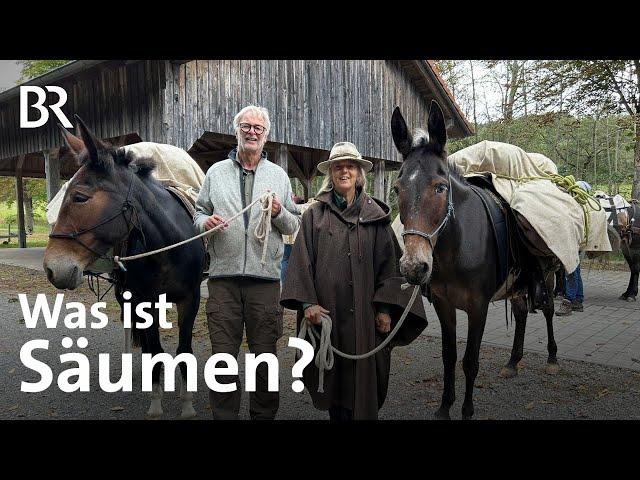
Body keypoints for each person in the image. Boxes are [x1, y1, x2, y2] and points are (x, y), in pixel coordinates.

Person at [280, 141, 427, 420]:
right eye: (338, 167)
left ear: (359, 173)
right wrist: (308, 303)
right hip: (328, 319)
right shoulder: (314, 216)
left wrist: (385, 309)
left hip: (366, 321)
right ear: (331, 173)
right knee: (335, 390)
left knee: (364, 390)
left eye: (350, 166)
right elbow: (300, 263)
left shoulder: (377, 218)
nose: (344, 171)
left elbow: (391, 270)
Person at [194, 105, 300, 420]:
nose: (252, 132)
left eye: (258, 128)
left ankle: (263, 416)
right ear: (237, 131)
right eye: (246, 126)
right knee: (222, 360)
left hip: (265, 283)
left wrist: (280, 212)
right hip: (223, 281)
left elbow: (294, 226)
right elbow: (198, 213)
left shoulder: (279, 176)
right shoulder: (215, 173)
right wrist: (204, 223)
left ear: (265, 136)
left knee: (263, 360)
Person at [557, 180, 592, 316]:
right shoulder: (584, 208)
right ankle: (578, 301)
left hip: (574, 244)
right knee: (575, 272)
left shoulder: (577, 209)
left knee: (570, 273)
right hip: (579, 244)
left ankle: (568, 302)